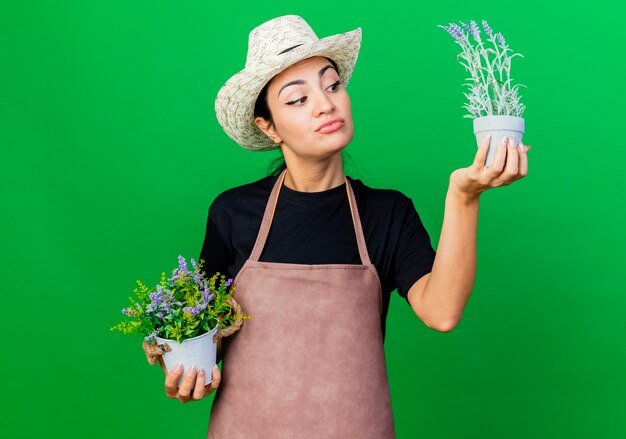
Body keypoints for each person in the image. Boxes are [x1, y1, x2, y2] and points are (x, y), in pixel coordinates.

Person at [145, 15, 530, 437]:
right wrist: (181, 365)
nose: (325, 104)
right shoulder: (233, 213)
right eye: (297, 99)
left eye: (332, 85)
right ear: (268, 127)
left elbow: (441, 312)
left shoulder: (387, 213)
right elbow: (206, 335)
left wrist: (464, 196)